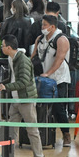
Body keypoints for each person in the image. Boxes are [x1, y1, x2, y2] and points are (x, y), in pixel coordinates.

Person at [0, 35, 47, 157]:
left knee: (32, 129)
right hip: (16, 99)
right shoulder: (11, 58)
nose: (1, 48)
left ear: (8, 47)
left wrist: (6, 87)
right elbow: (13, 78)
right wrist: (1, 84)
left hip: (26, 100)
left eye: (2, 46)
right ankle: (8, 156)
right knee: (11, 130)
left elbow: (23, 82)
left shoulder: (23, 61)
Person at [32, 15, 72, 147]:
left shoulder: (61, 39)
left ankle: (66, 134)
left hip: (59, 79)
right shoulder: (40, 39)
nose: (42, 27)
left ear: (53, 27)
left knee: (58, 108)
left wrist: (48, 73)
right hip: (43, 80)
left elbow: (59, 59)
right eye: (42, 25)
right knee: (41, 107)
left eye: (45, 25)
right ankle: (43, 136)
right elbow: (33, 56)